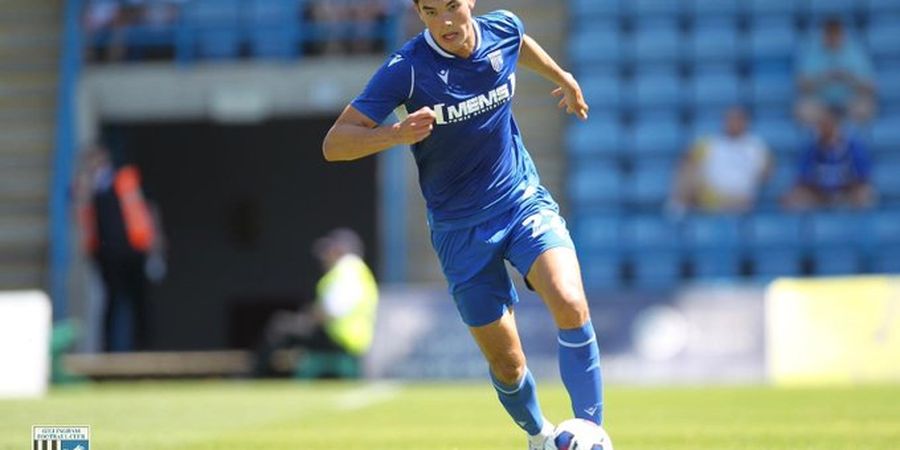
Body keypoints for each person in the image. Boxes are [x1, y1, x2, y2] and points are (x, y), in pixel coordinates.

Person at [321, 1, 603, 449]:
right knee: (507, 364)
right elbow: (335, 145)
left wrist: (561, 77)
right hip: (460, 230)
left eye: (453, 6)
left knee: (570, 301)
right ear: (418, 13)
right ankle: (539, 437)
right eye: (431, 11)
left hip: (521, 200)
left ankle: (592, 433)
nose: (446, 21)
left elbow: (519, 44)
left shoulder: (503, 28)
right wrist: (395, 134)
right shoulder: (407, 69)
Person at [254, 228, 378, 378]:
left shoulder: (347, 270)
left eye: (329, 251)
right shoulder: (356, 270)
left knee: (281, 326)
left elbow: (331, 310)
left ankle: (257, 375)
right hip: (348, 340)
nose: (324, 257)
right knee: (291, 328)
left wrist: (307, 318)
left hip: (339, 340)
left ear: (339, 251)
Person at [75, 143, 164, 352]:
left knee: (140, 302)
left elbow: (148, 209)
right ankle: (109, 350)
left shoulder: (125, 180)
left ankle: (145, 348)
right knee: (112, 303)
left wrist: (155, 242)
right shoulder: (87, 188)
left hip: (133, 251)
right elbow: (78, 213)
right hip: (106, 256)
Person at [669, 107, 773, 215]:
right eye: (731, 119)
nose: (734, 123)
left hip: (740, 199)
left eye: (738, 120)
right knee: (687, 169)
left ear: (746, 122)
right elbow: (687, 157)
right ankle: (678, 211)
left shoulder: (756, 147)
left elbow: (767, 174)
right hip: (709, 194)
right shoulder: (711, 143)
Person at [782, 108, 875, 209]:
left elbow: (863, 177)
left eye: (829, 125)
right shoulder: (811, 148)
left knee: (865, 195)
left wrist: (844, 189)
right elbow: (802, 178)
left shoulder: (854, 147)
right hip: (819, 194)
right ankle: (804, 224)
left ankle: (858, 223)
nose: (825, 129)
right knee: (793, 199)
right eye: (822, 126)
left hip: (846, 192)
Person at [796, 18, 877, 125]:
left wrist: (848, 78)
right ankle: (825, 134)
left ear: (842, 34)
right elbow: (801, 86)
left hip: (849, 102)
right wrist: (824, 78)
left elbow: (870, 88)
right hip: (821, 103)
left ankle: (848, 138)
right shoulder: (812, 53)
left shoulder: (856, 54)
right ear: (824, 35)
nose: (833, 38)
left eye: (836, 34)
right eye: (829, 34)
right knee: (804, 110)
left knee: (865, 108)